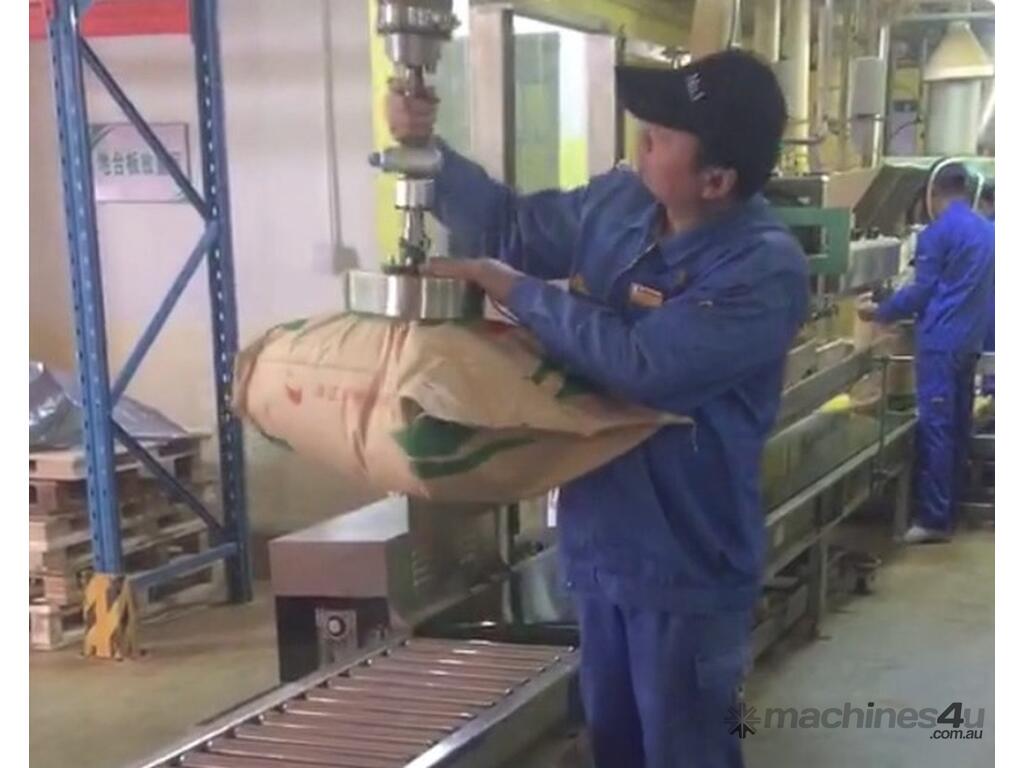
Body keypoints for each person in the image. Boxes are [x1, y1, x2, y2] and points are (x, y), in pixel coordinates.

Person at [388, 49, 808, 767]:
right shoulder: (622, 206)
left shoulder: (762, 269)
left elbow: (644, 366)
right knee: (614, 747)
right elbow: (511, 225)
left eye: (662, 135)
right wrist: (428, 152)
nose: (641, 142)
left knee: (687, 752)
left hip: (686, 565)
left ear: (716, 180)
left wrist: (517, 292)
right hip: (600, 548)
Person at [859, 164, 995, 544]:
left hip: (940, 343)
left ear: (933, 195)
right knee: (957, 425)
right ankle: (950, 509)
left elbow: (921, 292)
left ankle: (933, 519)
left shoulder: (938, 233)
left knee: (936, 427)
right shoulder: (988, 231)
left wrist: (880, 311)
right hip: (968, 342)